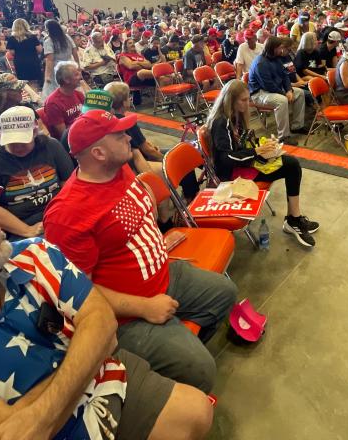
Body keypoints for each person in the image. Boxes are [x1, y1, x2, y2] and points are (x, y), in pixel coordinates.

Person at [0, 189, 212, 440]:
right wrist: (88, 351)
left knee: (197, 411)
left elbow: (103, 322)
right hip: (88, 386)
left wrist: (38, 410)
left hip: (99, 383)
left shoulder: (31, 252)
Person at [44, 110, 238, 394]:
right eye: (118, 134)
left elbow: (131, 224)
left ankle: (177, 351)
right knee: (202, 371)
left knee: (225, 293)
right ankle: (166, 378)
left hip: (162, 273)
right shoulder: (68, 214)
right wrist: (144, 307)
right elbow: (79, 294)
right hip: (126, 314)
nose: (128, 136)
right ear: (98, 152)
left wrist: (155, 243)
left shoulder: (118, 168)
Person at [206, 80, 319, 248]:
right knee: (291, 166)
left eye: (247, 99)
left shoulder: (235, 116)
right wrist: (257, 152)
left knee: (291, 164)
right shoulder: (221, 122)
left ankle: (294, 218)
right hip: (231, 175)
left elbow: (244, 143)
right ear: (230, 100)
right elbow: (225, 158)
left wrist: (264, 145)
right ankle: (293, 221)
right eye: (243, 100)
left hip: (244, 165)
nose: (247, 103)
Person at [0, 105, 74, 240]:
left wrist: (62, 214)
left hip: (58, 214)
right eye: (12, 142)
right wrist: (27, 230)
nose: (18, 147)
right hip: (19, 226)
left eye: (23, 141)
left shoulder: (51, 145)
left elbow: (68, 182)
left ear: (35, 130)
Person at [247, 37, 307, 142]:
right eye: (280, 48)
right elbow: (268, 86)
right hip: (259, 93)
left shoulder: (276, 58)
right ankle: (283, 137)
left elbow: (285, 76)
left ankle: (297, 126)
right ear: (273, 48)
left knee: (300, 93)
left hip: (275, 89)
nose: (282, 50)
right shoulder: (260, 63)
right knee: (282, 100)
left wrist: (289, 90)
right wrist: (285, 94)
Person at [42, 61, 91, 139]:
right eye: (76, 74)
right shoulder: (53, 103)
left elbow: (89, 116)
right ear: (66, 80)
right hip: (71, 140)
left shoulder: (78, 94)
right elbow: (64, 135)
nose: (80, 77)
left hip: (84, 132)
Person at [41, 18, 76, 99]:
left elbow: (50, 59)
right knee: (71, 85)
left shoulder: (48, 41)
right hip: (70, 64)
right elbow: (74, 51)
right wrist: (77, 65)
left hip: (57, 68)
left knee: (57, 89)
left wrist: (47, 76)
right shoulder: (67, 37)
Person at [118, 38, 156, 106]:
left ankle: (160, 102)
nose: (132, 44)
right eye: (130, 43)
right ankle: (161, 73)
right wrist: (142, 63)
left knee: (163, 78)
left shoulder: (139, 55)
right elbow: (130, 66)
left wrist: (137, 62)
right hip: (131, 79)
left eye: (133, 43)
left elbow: (149, 65)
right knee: (142, 72)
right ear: (125, 46)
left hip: (145, 77)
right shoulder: (122, 56)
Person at [6, 18, 43, 89]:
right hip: (33, 60)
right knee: (34, 82)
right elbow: (40, 50)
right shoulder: (32, 37)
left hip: (20, 61)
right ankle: (35, 98)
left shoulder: (12, 38)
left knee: (23, 83)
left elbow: (12, 52)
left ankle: (26, 98)